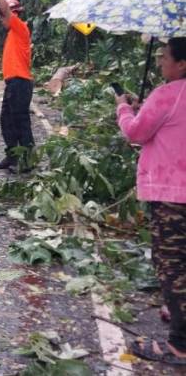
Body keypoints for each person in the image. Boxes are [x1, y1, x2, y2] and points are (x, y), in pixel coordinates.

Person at [117, 38, 186, 366]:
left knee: (171, 265)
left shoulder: (167, 94)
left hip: (171, 195)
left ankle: (179, 346)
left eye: (164, 57)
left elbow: (135, 132)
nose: (160, 63)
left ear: (182, 64)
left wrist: (124, 107)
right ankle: (178, 312)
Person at [0, 0, 34, 172]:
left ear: (13, 14)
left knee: (19, 120)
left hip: (20, 82)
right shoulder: (12, 34)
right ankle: (13, 156)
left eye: (3, 16)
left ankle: (26, 159)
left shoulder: (20, 27)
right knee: (7, 119)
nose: (1, 19)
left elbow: (5, 9)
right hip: (14, 83)